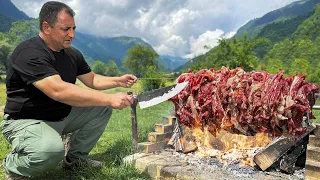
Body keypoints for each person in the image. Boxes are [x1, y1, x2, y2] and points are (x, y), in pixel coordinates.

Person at [1, 1, 137, 179]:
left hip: (60, 116)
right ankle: (12, 165)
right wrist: (109, 98)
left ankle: (75, 159)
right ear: (46, 27)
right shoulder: (28, 52)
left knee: (101, 108)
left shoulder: (72, 54)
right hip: (26, 121)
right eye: (66, 29)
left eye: (73, 28)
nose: (72, 34)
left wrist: (117, 81)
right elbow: (58, 90)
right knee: (50, 152)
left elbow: (92, 79)